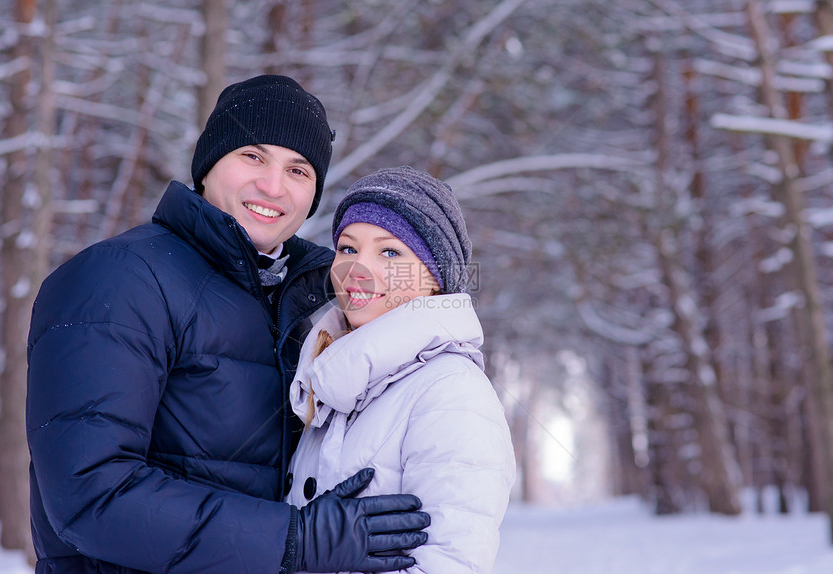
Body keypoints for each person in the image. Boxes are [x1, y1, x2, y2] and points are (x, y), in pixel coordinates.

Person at [26, 75, 430, 574]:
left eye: (299, 170)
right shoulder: (118, 278)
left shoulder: (316, 296)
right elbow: (88, 494)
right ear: (208, 165)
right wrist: (295, 540)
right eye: (253, 157)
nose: (273, 186)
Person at [286, 166, 516, 573]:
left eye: (390, 252)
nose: (358, 269)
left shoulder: (450, 393)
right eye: (348, 248)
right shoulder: (329, 378)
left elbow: (448, 563)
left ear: (433, 277)